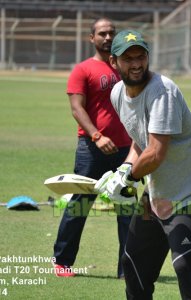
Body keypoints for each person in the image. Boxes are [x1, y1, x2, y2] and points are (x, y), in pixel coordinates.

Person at [96, 29, 191, 300]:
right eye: (128, 59)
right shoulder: (118, 93)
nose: (136, 63)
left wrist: (127, 177)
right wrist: (124, 169)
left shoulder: (162, 92)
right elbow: (140, 140)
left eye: (141, 56)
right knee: (133, 262)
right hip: (158, 190)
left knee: (186, 265)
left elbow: (156, 152)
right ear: (113, 62)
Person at [52, 18, 132, 279]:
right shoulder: (83, 69)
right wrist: (97, 136)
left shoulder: (126, 67)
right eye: (102, 34)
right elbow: (77, 108)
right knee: (80, 205)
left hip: (126, 150)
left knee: (127, 208)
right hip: (92, 148)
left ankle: (128, 267)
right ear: (92, 38)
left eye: (111, 33)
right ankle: (62, 262)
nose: (108, 37)